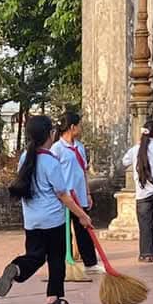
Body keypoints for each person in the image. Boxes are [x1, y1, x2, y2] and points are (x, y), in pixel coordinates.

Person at [0, 114, 90, 304]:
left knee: (35, 256)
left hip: (31, 220)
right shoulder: (50, 161)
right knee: (56, 258)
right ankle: (53, 298)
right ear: (51, 134)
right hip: (53, 220)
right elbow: (63, 195)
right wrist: (82, 215)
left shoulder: (25, 158)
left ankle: (18, 268)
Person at [122, 117, 153, 262]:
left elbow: (124, 162)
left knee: (145, 224)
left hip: (142, 192)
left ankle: (146, 253)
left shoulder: (135, 149)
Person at [55, 110, 97, 273]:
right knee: (64, 232)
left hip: (79, 196)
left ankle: (90, 263)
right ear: (72, 127)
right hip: (65, 197)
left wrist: (87, 193)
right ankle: (64, 263)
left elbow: (83, 171)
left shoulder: (80, 147)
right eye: (79, 125)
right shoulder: (57, 149)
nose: (80, 128)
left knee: (84, 229)